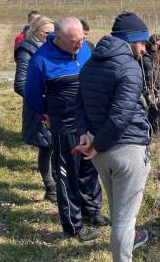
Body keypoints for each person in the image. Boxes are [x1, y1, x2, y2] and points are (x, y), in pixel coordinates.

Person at [25, 16, 109, 242]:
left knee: (89, 170)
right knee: (68, 176)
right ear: (58, 38)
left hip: (88, 123)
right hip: (65, 126)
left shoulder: (84, 50)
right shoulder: (41, 59)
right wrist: (45, 115)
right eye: (74, 41)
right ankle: (74, 225)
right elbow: (31, 93)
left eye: (82, 40)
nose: (79, 45)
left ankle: (92, 212)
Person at [76, 12, 151, 262]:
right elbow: (121, 117)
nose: (144, 47)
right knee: (124, 219)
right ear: (130, 40)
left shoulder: (89, 64)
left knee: (119, 211)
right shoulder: (129, 68)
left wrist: (86, 135)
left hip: (100, 153)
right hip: (125, 151)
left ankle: (127, 241)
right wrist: (96, 144)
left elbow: (79, 105)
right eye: (142, 41)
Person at [14, 16, 56, 202]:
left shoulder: (50, 49)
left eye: (54, 33)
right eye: (48, 33)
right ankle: (51, 188)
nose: (52, 36)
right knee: (46, 148)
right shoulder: (27, 50)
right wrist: (42, 103)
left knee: (55, 146)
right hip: (39, 108)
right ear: (36, 32)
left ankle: (57, 185)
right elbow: (21, 84)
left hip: (55, 107)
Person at [140, 34, 160, 134]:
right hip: (147, 86)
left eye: (158, 44)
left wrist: (159, 86)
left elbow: (159, 72)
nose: (156, 46)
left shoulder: (158, 55)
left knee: (156, 107)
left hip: (157, 86)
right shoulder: (144, 56)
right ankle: (153, 129)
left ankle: (154, 129)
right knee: (152, 107)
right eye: (154, 44)